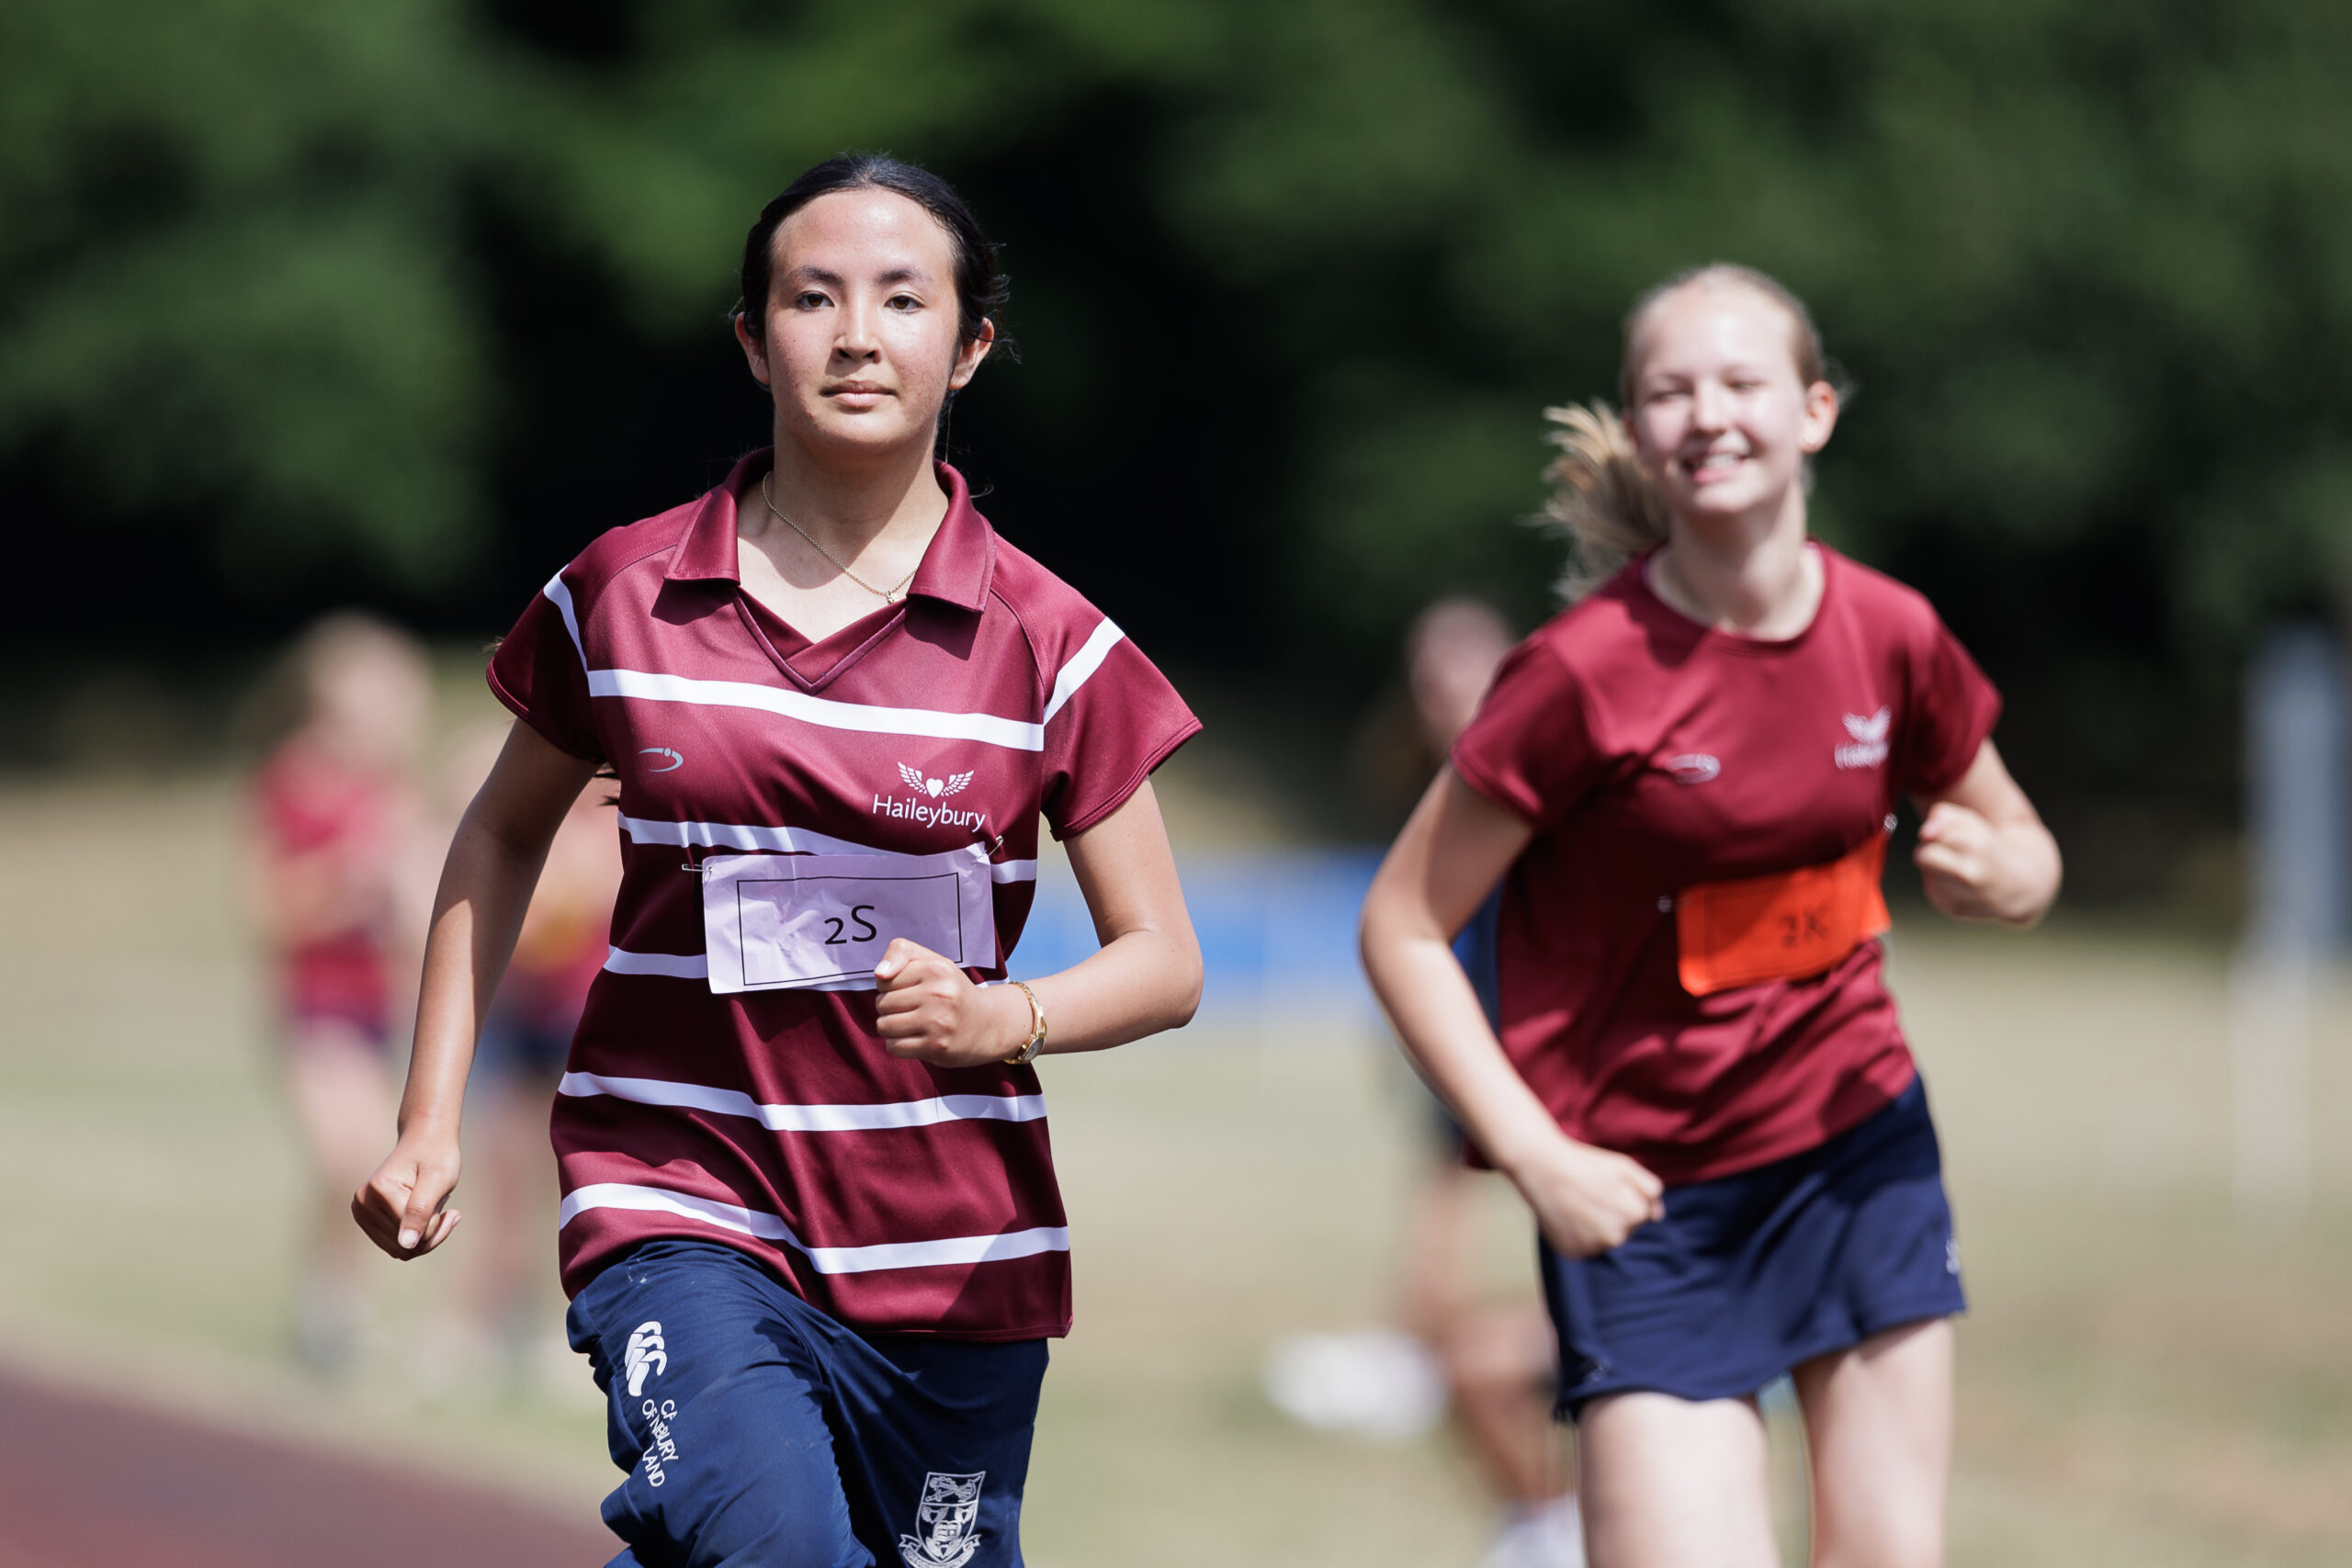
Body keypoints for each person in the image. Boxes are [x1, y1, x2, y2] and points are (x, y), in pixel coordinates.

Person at [354, 153, 1204, 1567]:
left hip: (950, 1254)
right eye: (814, 298)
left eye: (903, 299)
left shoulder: (1055, 642)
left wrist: (1006, 1014)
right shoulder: (622, 595)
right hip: (677, 1193)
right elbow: (501, 828)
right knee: (776, 1549)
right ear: (755, 342)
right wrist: (428, 1119)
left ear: (970, 346)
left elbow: (1165, 959)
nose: (857, 334)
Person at [1359, 265, 2063, 1568]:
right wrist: (1534, 1153)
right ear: (1639, 430)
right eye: (1670, 391)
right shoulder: (1578, 674)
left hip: (1860, 1154)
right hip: (1647, 1203)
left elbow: (2021, 836)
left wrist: (2013, 878)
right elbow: (1401, 926)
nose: (1709, 413)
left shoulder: (1892, 633)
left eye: (1742, 381)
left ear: (1814, 411)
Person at [1396, 601, 1583, 1568]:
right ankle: (1549, 1526)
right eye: (1434, 686)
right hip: (1492, 1100)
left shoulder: (1567, 820)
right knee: (1458, 1354)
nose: (1452, 702)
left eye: (1471, 677)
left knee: (1477, 1363)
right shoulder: (1446, 824)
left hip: (1620, 1169)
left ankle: (1559, 1525)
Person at [248, 613, 434, 1373]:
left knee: (369, 1170)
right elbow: (268, 909)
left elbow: (412, 920)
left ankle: (338, 1304)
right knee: (342, 1153)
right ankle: (325, 1305)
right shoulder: (293, 784)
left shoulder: (393, 794)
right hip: (315, 1005)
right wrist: (347, 875)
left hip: (377, 1007)